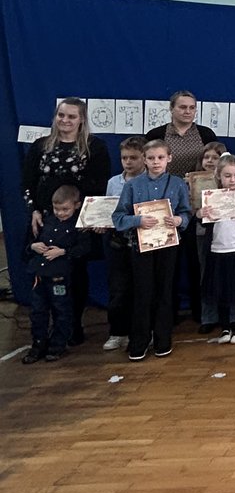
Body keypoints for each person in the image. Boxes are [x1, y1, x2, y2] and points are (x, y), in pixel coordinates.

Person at [21, 97, 111, 344]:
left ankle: (73, 325)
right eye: (61, 115)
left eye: (72, 116)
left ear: (81, 119)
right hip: (45, 219)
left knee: (75, 272)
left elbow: (100, 186)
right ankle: (48, 325)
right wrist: (34, 211)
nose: (65, 120)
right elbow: (28, 182)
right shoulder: (40, 146)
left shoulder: (95, 147)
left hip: (78, 221)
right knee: (45, 271)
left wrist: (93, 218)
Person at [112, 139, 192, 361]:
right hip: (142, 246)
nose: (156, 162)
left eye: (160, 157)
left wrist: (179, 220)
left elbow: (186, 212)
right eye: (151, 158)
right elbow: (118, 217)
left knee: (165, 292)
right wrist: (137, 220)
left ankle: (163, 339)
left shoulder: (177, 184)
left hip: (168, 246)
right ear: (144, 160)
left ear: (169, 158)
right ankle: (139, 340)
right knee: (142, 292)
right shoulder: (133, 186)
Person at [144, 91, 218, 326]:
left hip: (198, 205)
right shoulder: (156, 135)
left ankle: (200, 311)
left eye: (192, 107)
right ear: (171, 109)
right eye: (182, 107)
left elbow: (215, 167)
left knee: (198, 261)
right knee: (168, 263)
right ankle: (169, 312)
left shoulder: (205, 134)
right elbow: (149, 168)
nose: (187, 111)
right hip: (165, 206)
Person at [22, 186, 92, 364]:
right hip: (40, 275)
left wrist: (63, 252)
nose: (60, 213)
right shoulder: (46, 220)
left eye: (65, 209)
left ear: (77, 205)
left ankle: (57, 345)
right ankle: (38, 344)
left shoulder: (79, 225)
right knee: (38, 311)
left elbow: (84, 248)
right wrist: (34, 246)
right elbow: (29, 244)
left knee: (62, 310)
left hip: (60, 276)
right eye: (57, 209)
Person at [200, 153, 235, 344]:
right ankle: (225, 327)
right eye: (227, 176)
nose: (232, 180)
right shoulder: (211, 197)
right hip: (218, 250)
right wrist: (201, 214)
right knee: (221, 290)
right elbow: (202, 223)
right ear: (218, 176)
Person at [102, 136, 146, 352]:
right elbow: (106, 211)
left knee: (142, 289)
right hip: (118, 242)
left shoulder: (151, 181)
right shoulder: (113, 183)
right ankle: (118, 332)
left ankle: (140, 332)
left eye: (133, 158)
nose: (128, 162)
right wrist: (101, 223)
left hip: (144, 242)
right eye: (124, 158)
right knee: (119, 289)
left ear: (144, 158)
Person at [193, 139, 228, 334]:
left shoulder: (231, 179)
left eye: (215, 157)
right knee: (206, 274)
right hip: (203, 233)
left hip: (226, 234)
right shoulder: (194, 181)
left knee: (227, 275)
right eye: (206, 157)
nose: (210, 161)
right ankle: (209, 316)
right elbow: (189, 209)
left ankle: (231, 316)